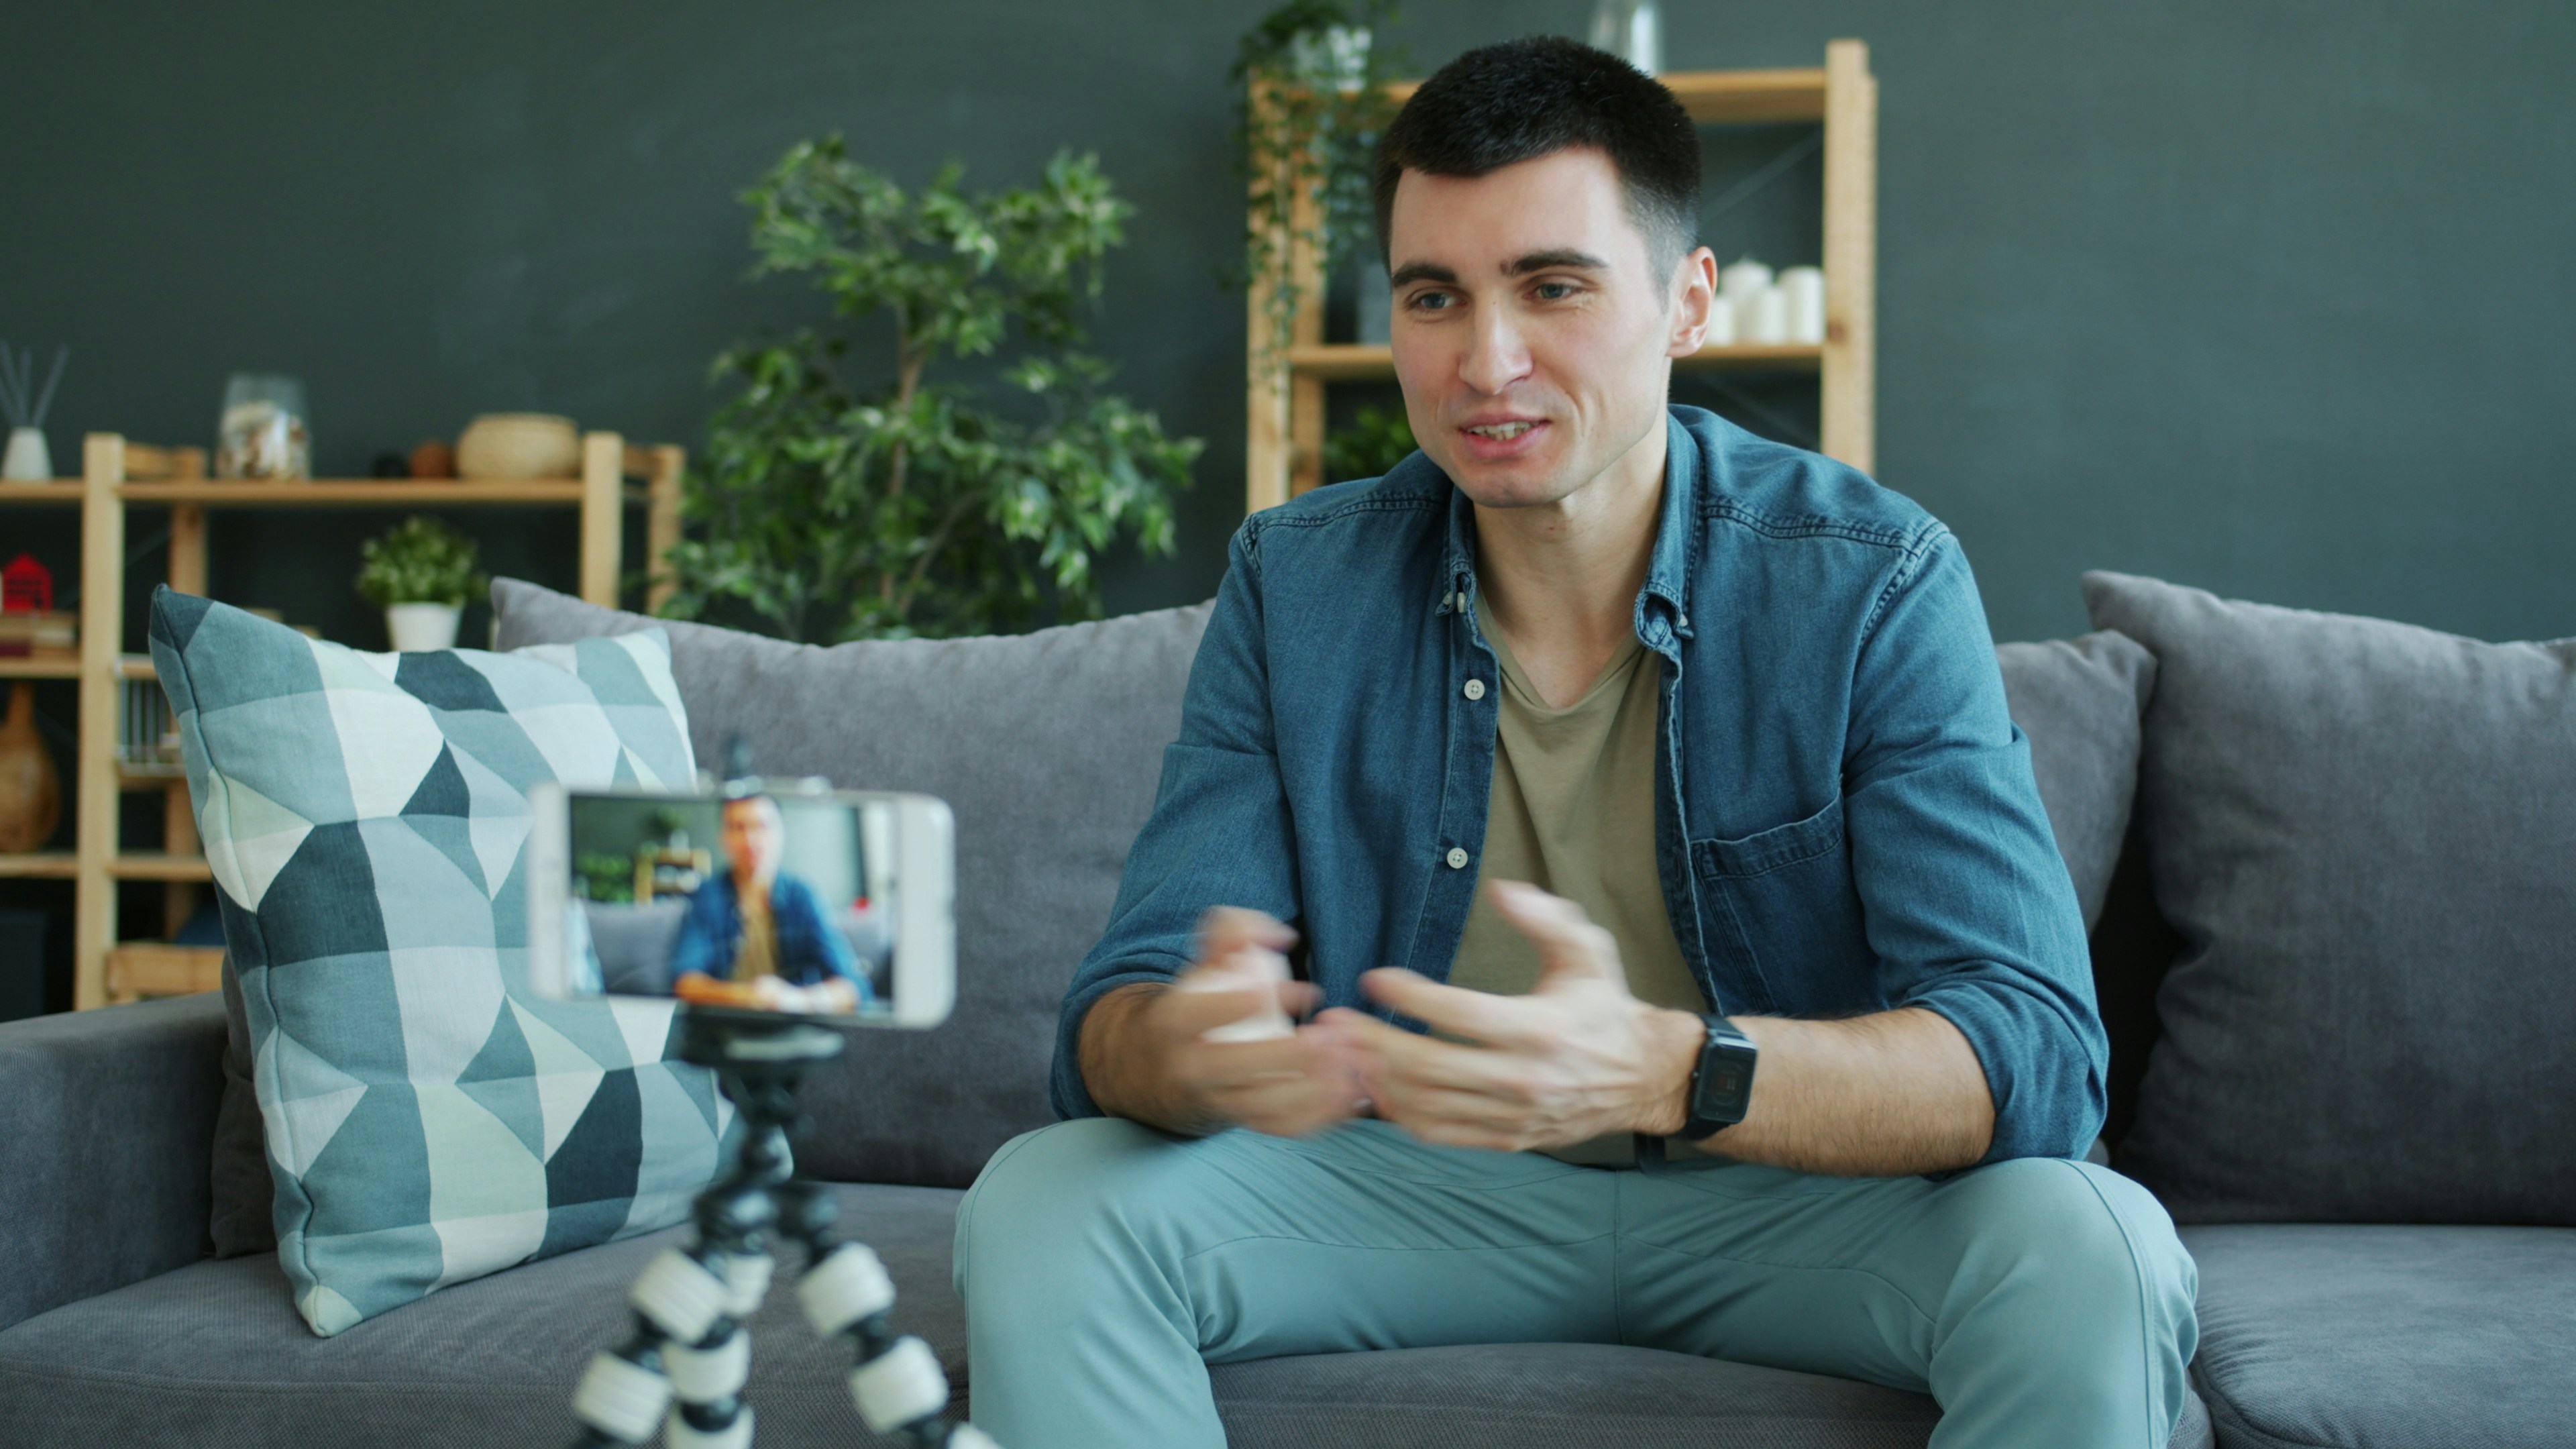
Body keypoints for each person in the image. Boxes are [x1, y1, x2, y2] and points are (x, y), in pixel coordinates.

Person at [954, 36, 2196, 1449]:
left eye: (1553, 286)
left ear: (1688, 302)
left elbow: (2030, 1049)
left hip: (1794, 1203)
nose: (1487, 362)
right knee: (1048, 1201)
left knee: (2092, 1247)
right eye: (1436, 297)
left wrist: (1670, 1068)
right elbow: (1112, 1026)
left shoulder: (1874, 578)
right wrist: (1192, 1055)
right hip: (1416, 1188)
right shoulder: (1294, 583)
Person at [669, 793, 871, 1014]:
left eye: (762, 826)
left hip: (793, 1024)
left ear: (780, 833)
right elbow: (685, 982)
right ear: (724, 837)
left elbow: (854, 988)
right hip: (723, 1028)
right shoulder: (707, 895)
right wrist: (748, 996)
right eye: (738, 827)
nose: (750, 839)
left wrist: (795, 1000)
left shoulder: (803, 896)